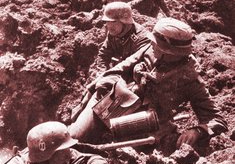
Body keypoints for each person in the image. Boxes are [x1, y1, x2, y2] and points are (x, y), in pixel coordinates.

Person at [71, 17, 227, 150]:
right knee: (75, 139)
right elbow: (118, 70)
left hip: (143, 124)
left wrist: (197, 131)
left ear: (171, 53)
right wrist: (94, 90)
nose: (151, 45)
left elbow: (216, 119)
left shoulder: (190, 79)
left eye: (156, 44)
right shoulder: (149, 50)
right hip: (112, 103)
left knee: (110, 150)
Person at [69, 2, 153, 140]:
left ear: (125, 22)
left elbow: (132, 66)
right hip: (115, 76)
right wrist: (100, 71)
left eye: (113, 22)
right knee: (88, 101)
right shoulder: (115, 33)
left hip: (132, 82)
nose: (109, 26)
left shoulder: (142, 39)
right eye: (107, 23)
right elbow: (103, 54)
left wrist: (106, 77)